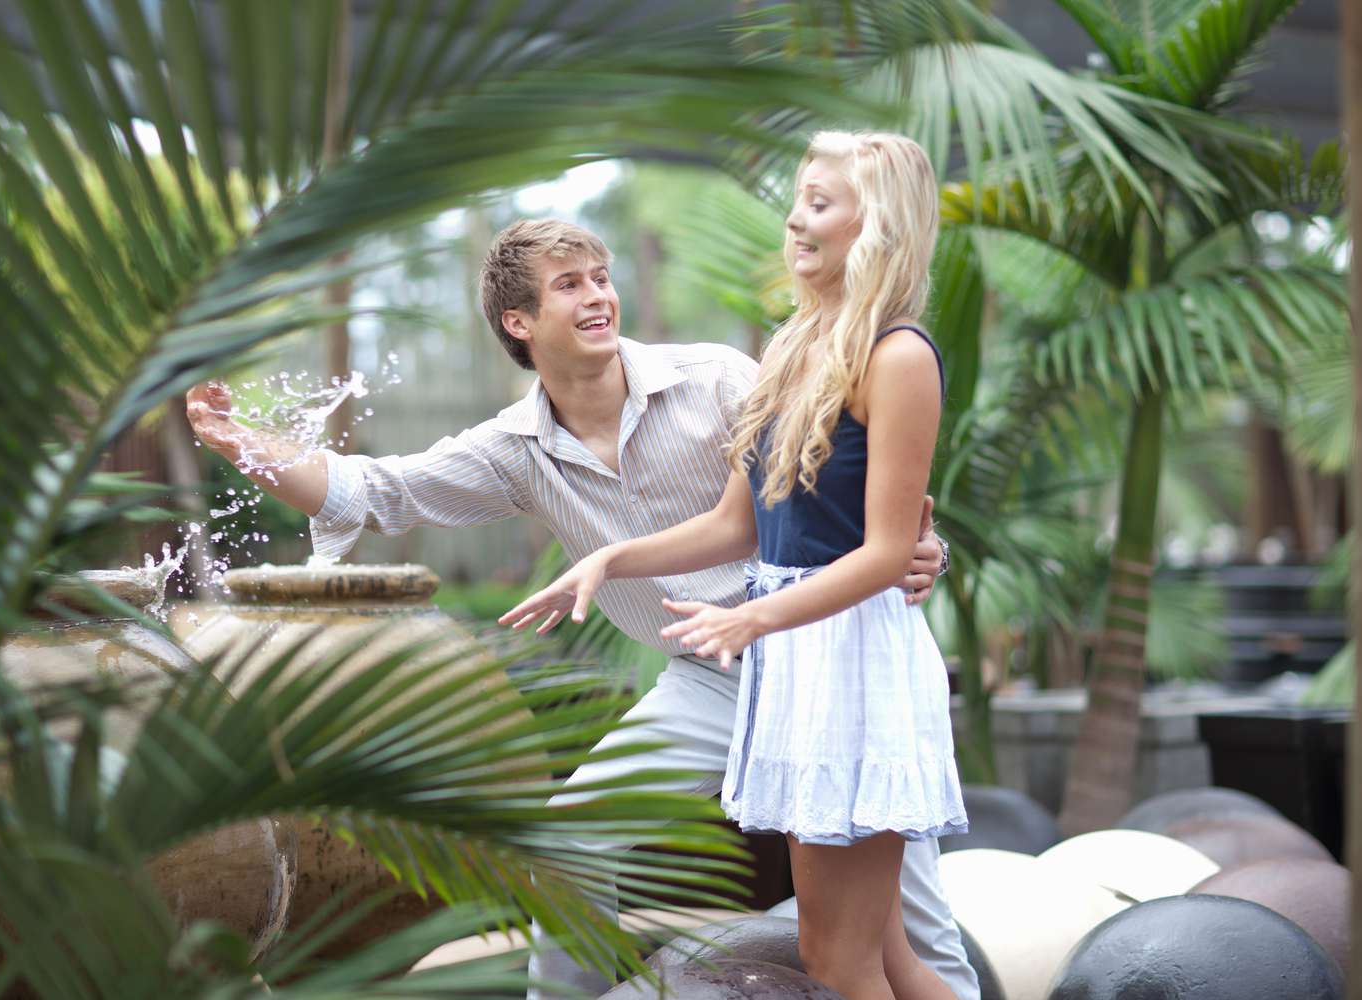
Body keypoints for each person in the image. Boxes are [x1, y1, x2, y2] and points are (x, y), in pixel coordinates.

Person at [185, 216, 977, 1000]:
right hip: (710, 682)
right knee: (567, 844)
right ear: (519, 322)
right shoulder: (513, 450)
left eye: (601, 278)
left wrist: (920, 543)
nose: (598, 296)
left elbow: (860, 480)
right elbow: (370, 489)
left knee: (915, 924)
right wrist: (233, 439)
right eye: (570, 285)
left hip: (822, 667)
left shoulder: (719, 378)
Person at [501, 132, 967, 1000]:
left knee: (843, 960)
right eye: (800, 197)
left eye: (821, 203)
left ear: (879, 227)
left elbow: (888, 551)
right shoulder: (798, 346)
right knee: (885, 956)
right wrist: (609, 557)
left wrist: (753, 618)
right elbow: (735, 522)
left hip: (850, 663)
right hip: (798, 666)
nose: (796, 218)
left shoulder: (898, 357)